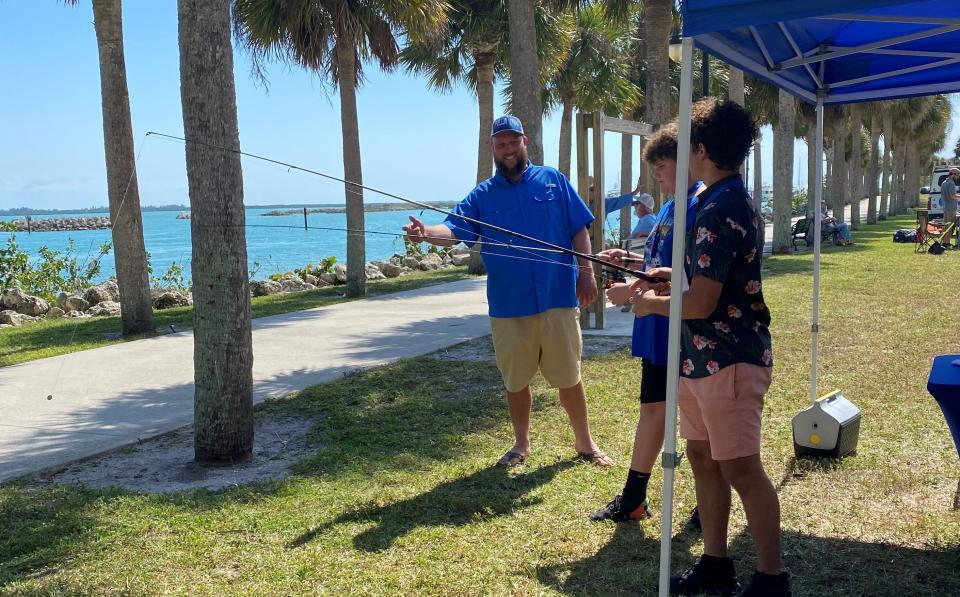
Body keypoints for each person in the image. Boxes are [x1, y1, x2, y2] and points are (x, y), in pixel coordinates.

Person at [629, 99, 791, 596]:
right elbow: (704, 277)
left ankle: (771, 577)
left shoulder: (721, 207)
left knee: (742, 467)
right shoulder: (717, 199)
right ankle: (715, 563)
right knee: (701, 456)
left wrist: (647, 304)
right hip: (700, 360)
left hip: (729, 362)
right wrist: (659, 277)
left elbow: (699, 302)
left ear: (700, 150)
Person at [402, 114, 612, 468]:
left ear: (524, 142)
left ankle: (585, 443)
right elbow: (453, 229)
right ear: (493, 149)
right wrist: (426, 234)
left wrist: (586, 272)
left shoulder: (553, 181)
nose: (508, 149)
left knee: (569, 376)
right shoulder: (482, 195)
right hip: (509, 304)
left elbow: (579, 228)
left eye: (514, 142)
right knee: (516, 381)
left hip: (557, 296)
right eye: (501, 144)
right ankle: (520, 444)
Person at [589, 123, 704, 523]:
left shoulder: (700, 205)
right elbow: (665, 267)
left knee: (698, 422)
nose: (656, 172)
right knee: (652, 409)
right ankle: (634, 497)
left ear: (691, 160)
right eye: (653, 165)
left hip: (685, 329)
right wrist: (633, 261)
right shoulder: (672, 205)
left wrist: (635, 291)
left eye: (663, 164)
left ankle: (709, 504)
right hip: (657, 327)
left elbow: (692, 279)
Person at [940, 167, 959, 247]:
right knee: (950, 226)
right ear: (953, 174)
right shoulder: (951, 183)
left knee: (946, 225)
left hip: (945, 207)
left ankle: (945, 242)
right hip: (951, 208)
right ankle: (946, 243)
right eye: (958, 174)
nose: (958, 177)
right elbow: (952, 196)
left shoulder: (944, 182)